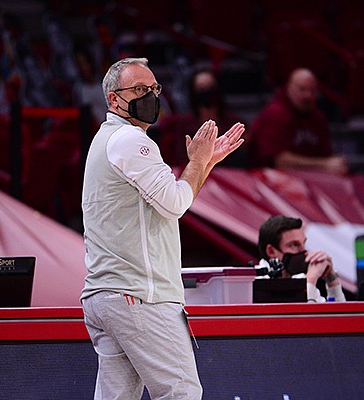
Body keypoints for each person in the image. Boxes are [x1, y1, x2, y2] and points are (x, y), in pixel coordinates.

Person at [80, 57, 244, 399]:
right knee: (180, 392)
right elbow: (175, 204)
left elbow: (174, 200)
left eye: (154, 88)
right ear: (113, 99)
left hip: (107, 296)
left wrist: (205, 163)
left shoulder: (105, 140)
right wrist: (198, 161)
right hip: (139, 295)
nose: (150, 96)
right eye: (139, 89)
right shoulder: (131, 141)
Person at [248, 68, 348, 175]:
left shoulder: (318, 118)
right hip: (272, 182)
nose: (308, 95)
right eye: (302, 89)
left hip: (311, 181)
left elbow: (326, 155)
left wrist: (336, 164)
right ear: (289, 88)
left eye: (312, 91)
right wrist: (323, 164)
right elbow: (280, 161)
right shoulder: (275, 114)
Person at [151, 67, 247, 167]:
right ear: (194, 92)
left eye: (210, 87)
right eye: (201, 89)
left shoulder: (233, 123)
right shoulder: (179, 125)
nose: (207, 92)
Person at [256, 215, 346, 303]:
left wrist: (331, 279)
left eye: (304, 243)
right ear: (271, 251)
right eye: (294, 245)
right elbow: (306, 317)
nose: (304, 252)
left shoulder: (300, 278)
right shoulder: (252, 283)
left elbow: (342, 317)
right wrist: (310, 281)